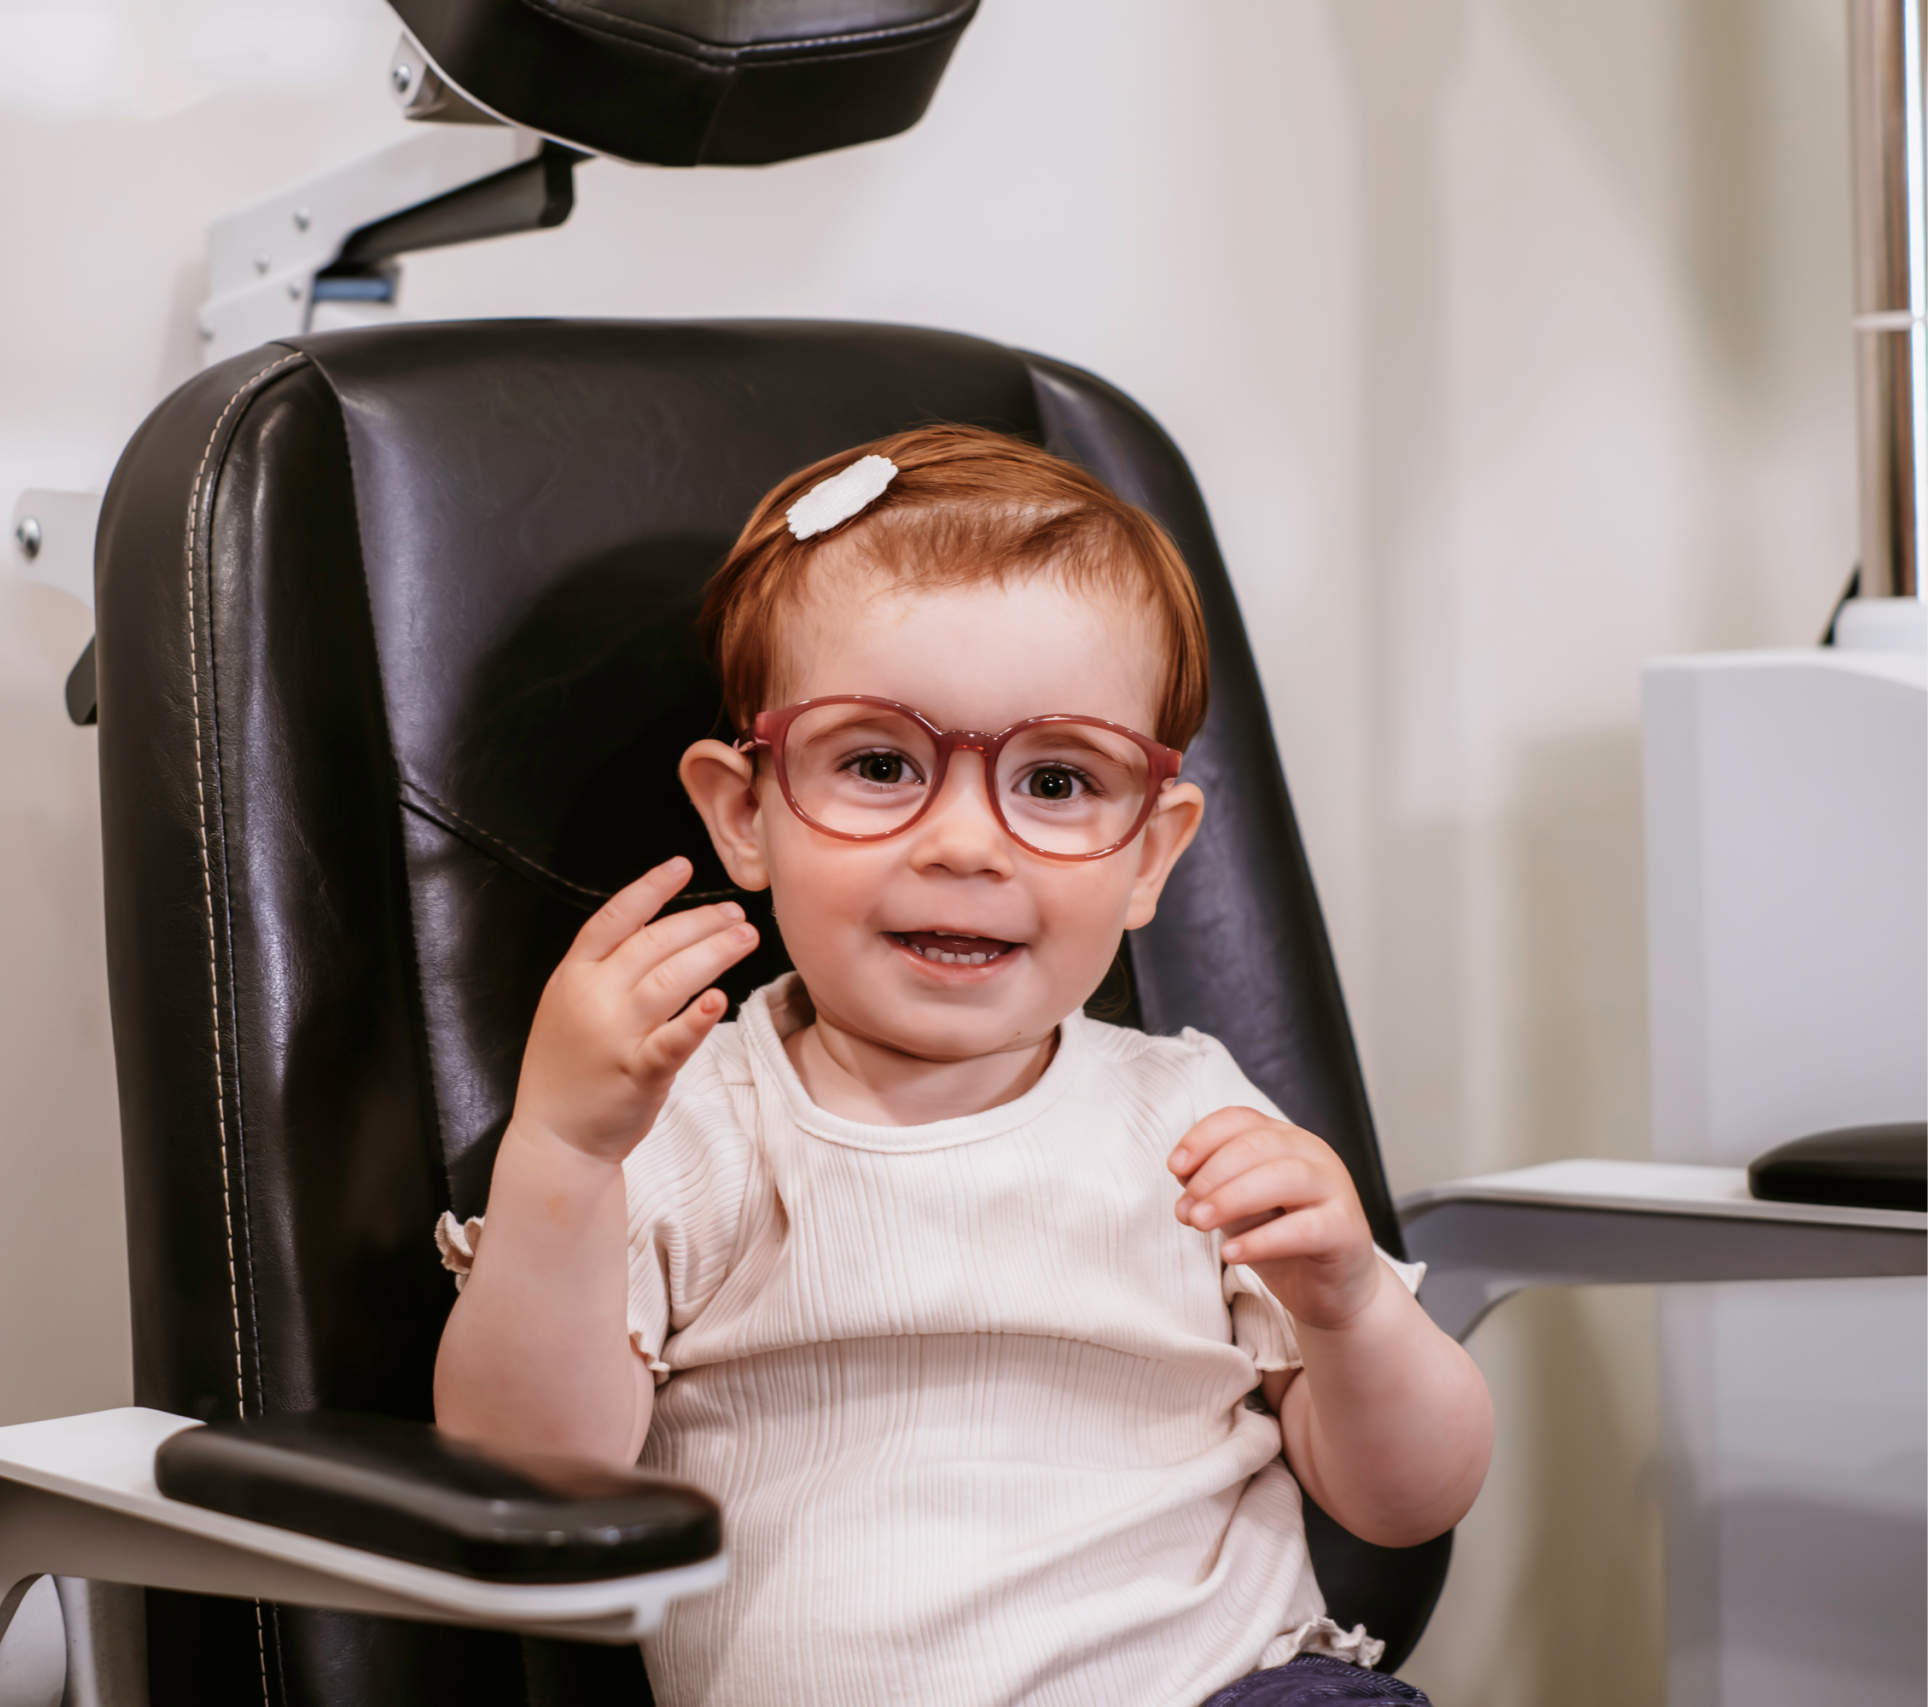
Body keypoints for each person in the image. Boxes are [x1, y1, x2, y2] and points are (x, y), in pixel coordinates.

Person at [429, 425, 1493, 1706]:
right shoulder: (690, 1122)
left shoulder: (1191, 1117)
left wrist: (1350, 1310)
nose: (966, 842)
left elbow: (1406, 1505)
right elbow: (530, 1481)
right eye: (879, 764)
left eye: (1054, 780)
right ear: (743, 812)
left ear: (1150, 854)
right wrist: (561, 1152)